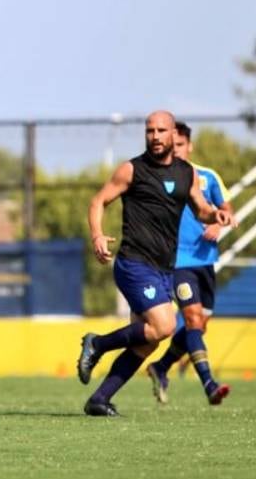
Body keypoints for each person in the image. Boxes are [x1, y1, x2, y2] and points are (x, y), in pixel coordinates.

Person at [78, 111, 234, 417]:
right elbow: (98, 202)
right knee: (164, 326)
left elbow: (201, 208)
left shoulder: (186, 173)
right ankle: (97, 344)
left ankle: (99, 399)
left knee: (148, 341)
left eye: (161, 130)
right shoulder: (131, 170)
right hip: (134, 263)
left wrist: (215, 215)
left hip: (164, 268)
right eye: (150, 131)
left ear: (174, 134)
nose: (155, 136)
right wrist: (97, 234)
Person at [145, 122, 235, 405]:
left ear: (189, 146)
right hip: (178, 263)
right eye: (174, 144)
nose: (178, 149)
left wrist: (219, 227)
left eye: (182, 144)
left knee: (198, 327)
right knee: (193, 319)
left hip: (206, 261)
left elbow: (227, 211)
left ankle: (160, 368)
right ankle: (209, 383)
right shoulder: (159, 178)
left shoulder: (207, 177)